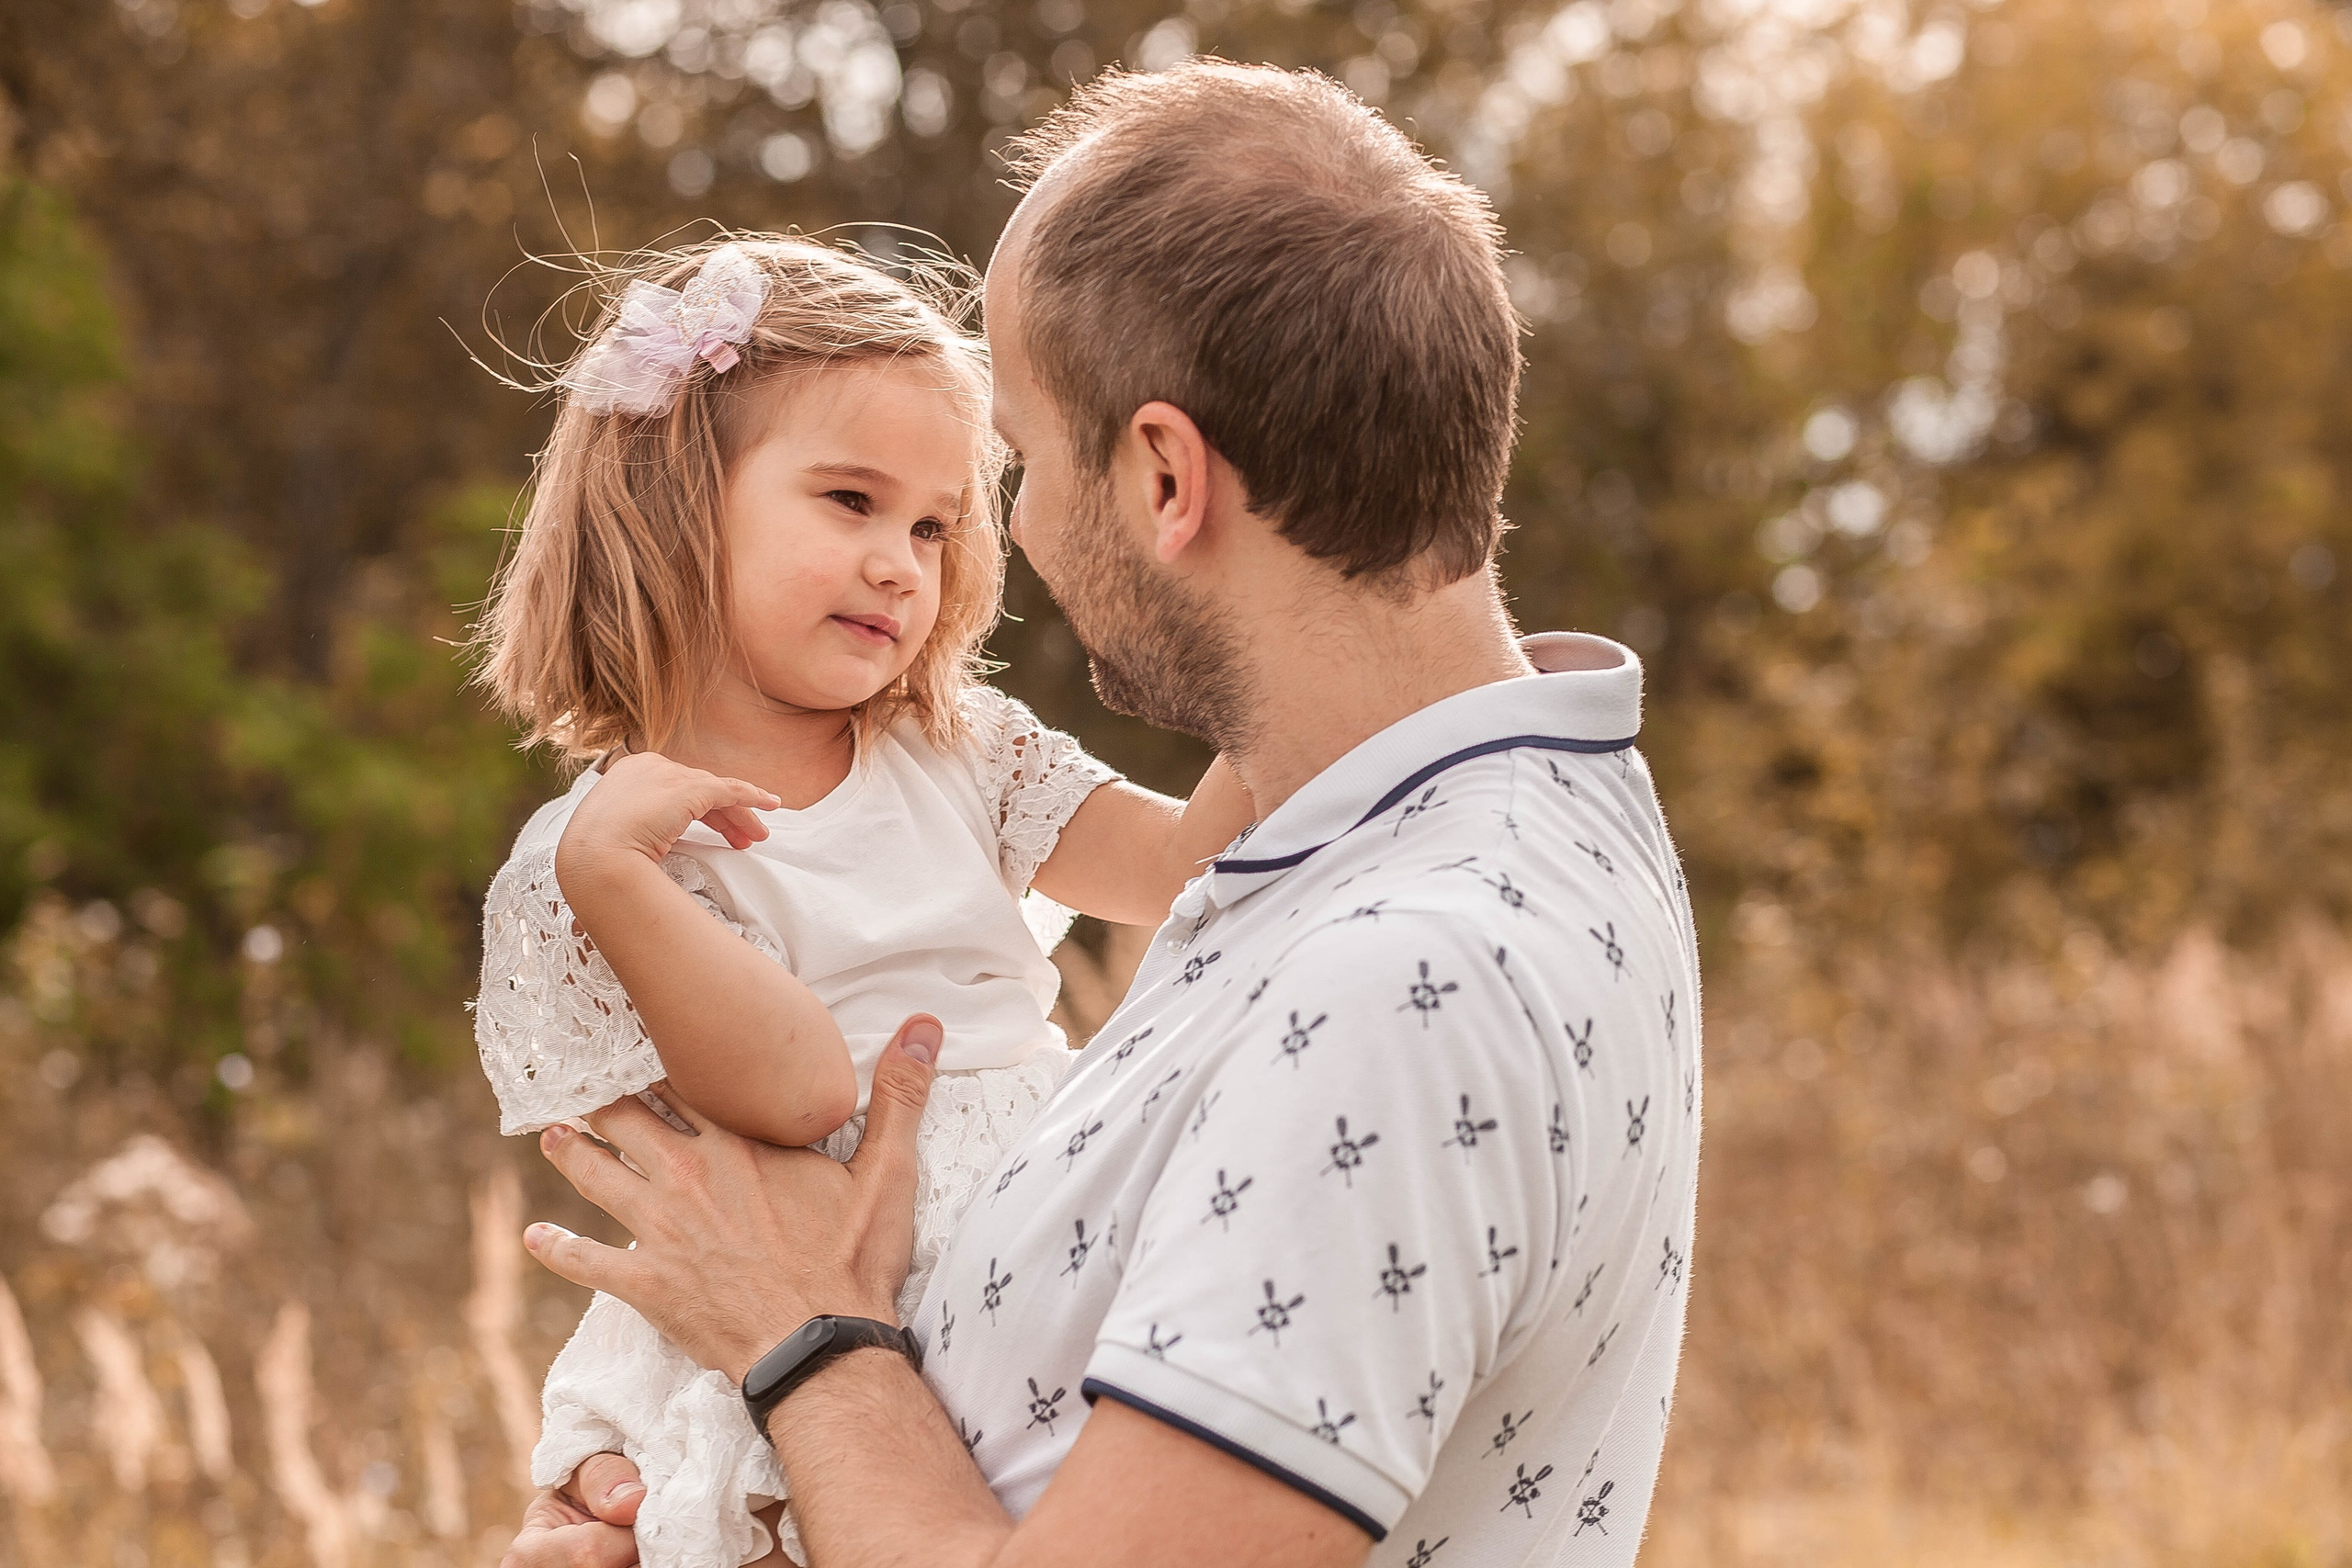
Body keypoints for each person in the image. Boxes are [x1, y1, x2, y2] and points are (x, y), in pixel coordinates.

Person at [506, 60, 1702, 1568]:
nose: (1001, 534)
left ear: (1161, 475)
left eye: (1010, 459)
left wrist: (800, 1340)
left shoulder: (1402, 982)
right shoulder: (1481, 820)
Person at [469, 235, 1252, 1567]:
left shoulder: (962, 751)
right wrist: (614, 877)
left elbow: (1184, 866)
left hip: (1051, 1223)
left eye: (936, 524)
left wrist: (1258, 635)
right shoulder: (607, 858)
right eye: (851, 501)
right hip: (817, 1273)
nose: (903, 561)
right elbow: (802, 1096)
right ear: (673, 501)